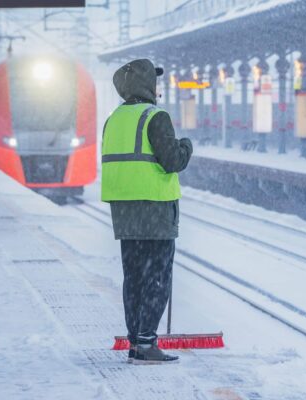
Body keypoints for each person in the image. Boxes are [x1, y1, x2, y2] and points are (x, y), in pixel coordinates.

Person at [101, 59, 193, 364]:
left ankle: (135, 341)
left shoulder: (114, 119)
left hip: (125, 211)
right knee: (157, 277)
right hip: (154, 209)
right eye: (154, 81)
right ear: (146, 85)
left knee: (134, 277)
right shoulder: (156, 116)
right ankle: (146, 343)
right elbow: (172, 161)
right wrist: (186, 146)